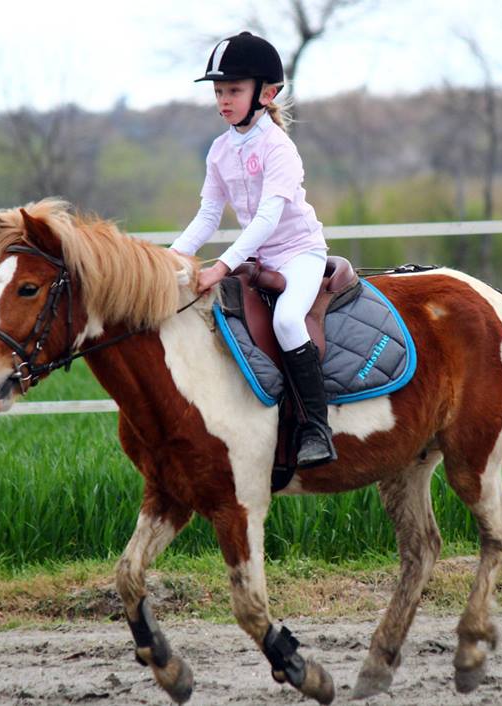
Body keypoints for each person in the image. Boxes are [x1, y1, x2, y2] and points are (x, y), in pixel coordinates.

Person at [170, 31, 336, 468]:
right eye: (219, 91)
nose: (223, 100)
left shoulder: (279, 148)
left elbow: (266, 218)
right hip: (258, 258)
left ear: (266, 93)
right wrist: (168, 261)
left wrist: (220, 267)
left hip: (299, 253)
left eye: (234, 90)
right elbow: (208, 216)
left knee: (285, 319)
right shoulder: (220, 150)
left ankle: (316, 428)